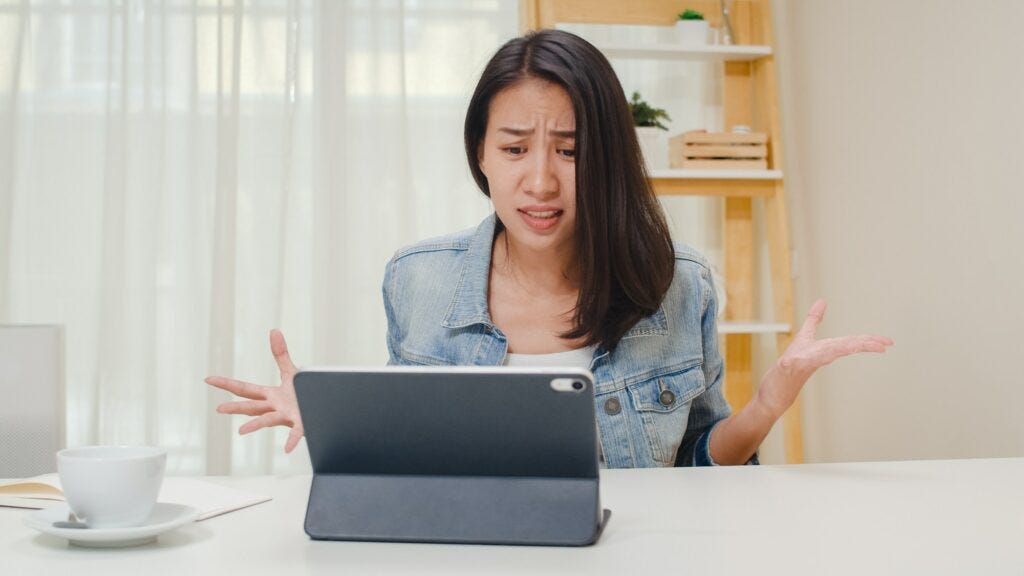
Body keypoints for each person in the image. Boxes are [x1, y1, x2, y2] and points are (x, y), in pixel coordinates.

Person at [205, 29, 892, 467]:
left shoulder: (677, 283)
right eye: (513, 148)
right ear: (480, 152)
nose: (540, 180)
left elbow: (696, 469)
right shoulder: (419, 281)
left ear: (611, 157)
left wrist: (766, 405)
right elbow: (408, 466)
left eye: (571, 150)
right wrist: (336, 421)